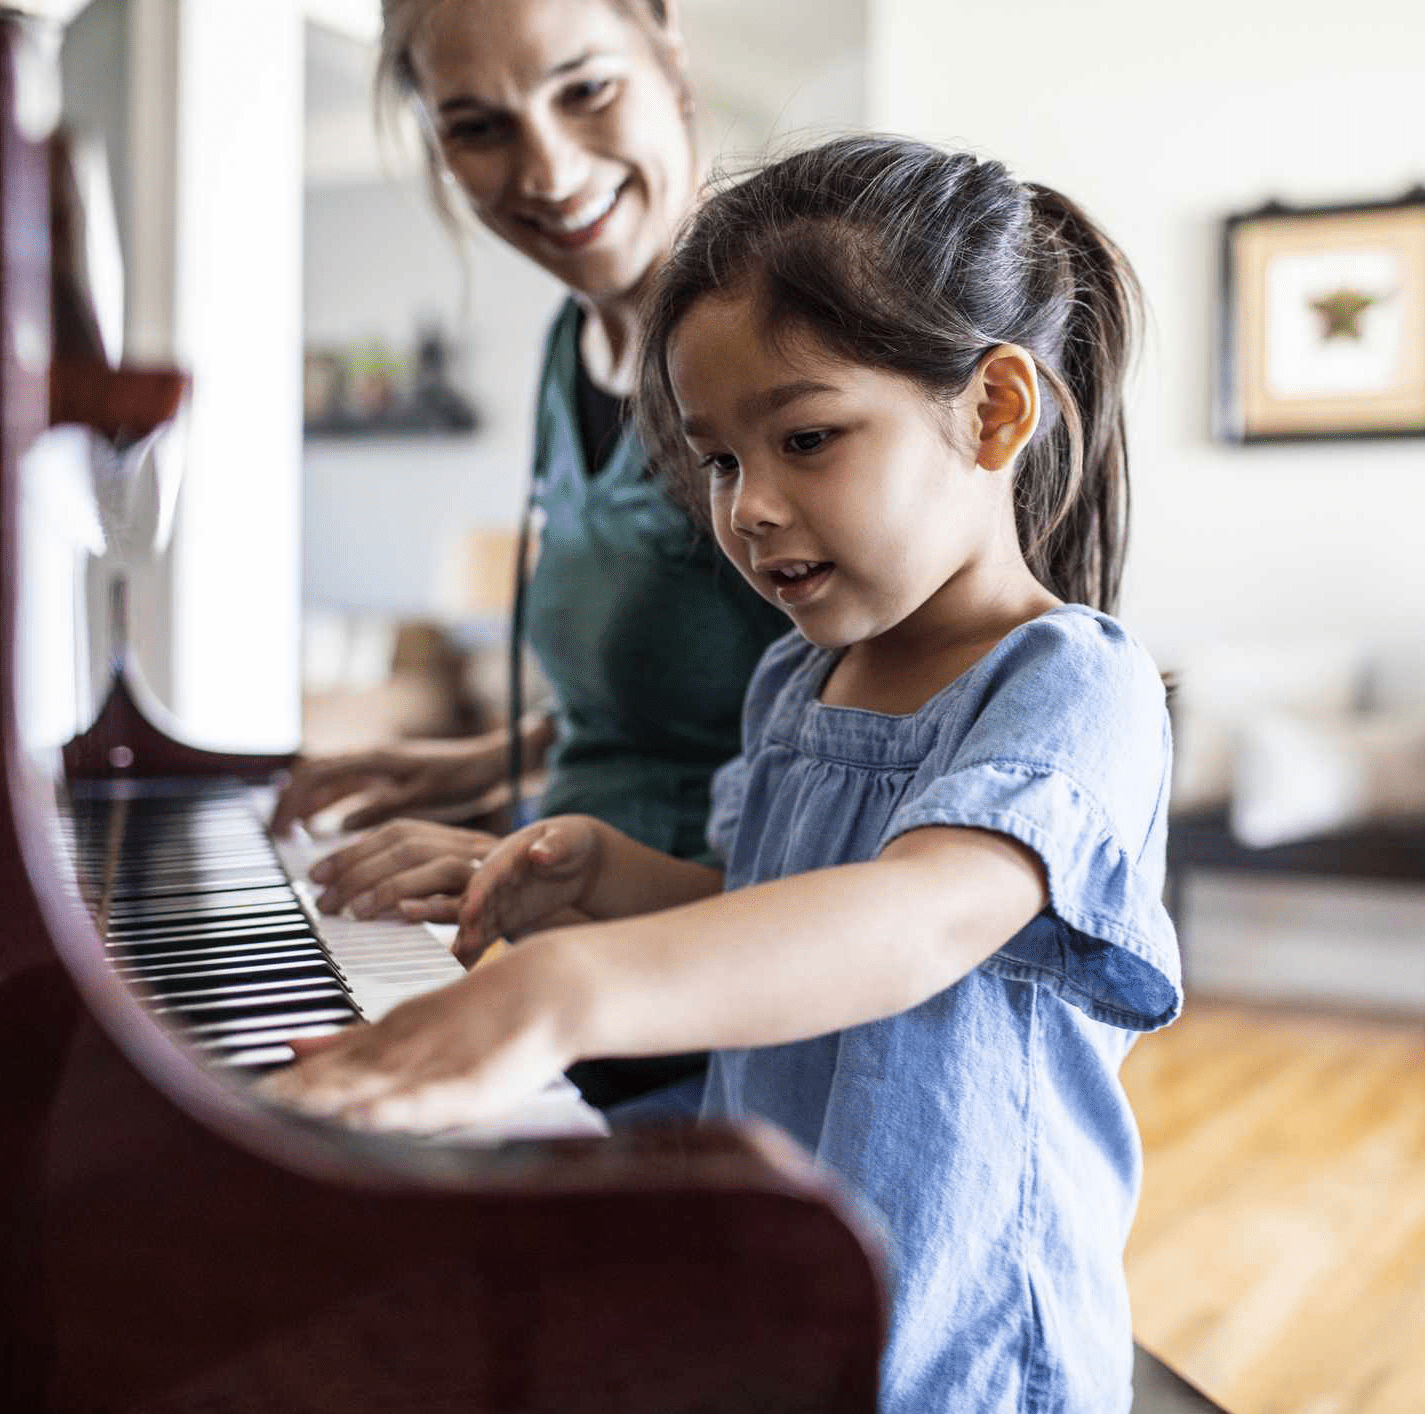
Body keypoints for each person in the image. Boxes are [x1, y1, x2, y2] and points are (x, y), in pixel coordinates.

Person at [263, 135, 1181, 1410]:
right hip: (789, 1300)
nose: (745, 507)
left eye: (806, 437)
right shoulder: (794, 681)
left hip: (966, 1353)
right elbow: (769, 902)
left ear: (996, 410)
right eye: (721, 459)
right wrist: (609, 877)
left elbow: (910, 922)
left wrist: (567, 990)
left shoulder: (1073, 686)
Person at [271, 0, 785, 923]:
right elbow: (691, 705)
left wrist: (533, 867)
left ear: (668, 50)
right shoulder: (568, 347)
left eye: (585, 88)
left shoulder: (777, 349)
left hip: (719, 997)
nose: (547, 172)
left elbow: (873, 767)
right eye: (476, 127)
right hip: (581, 975)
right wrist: (489, 758)